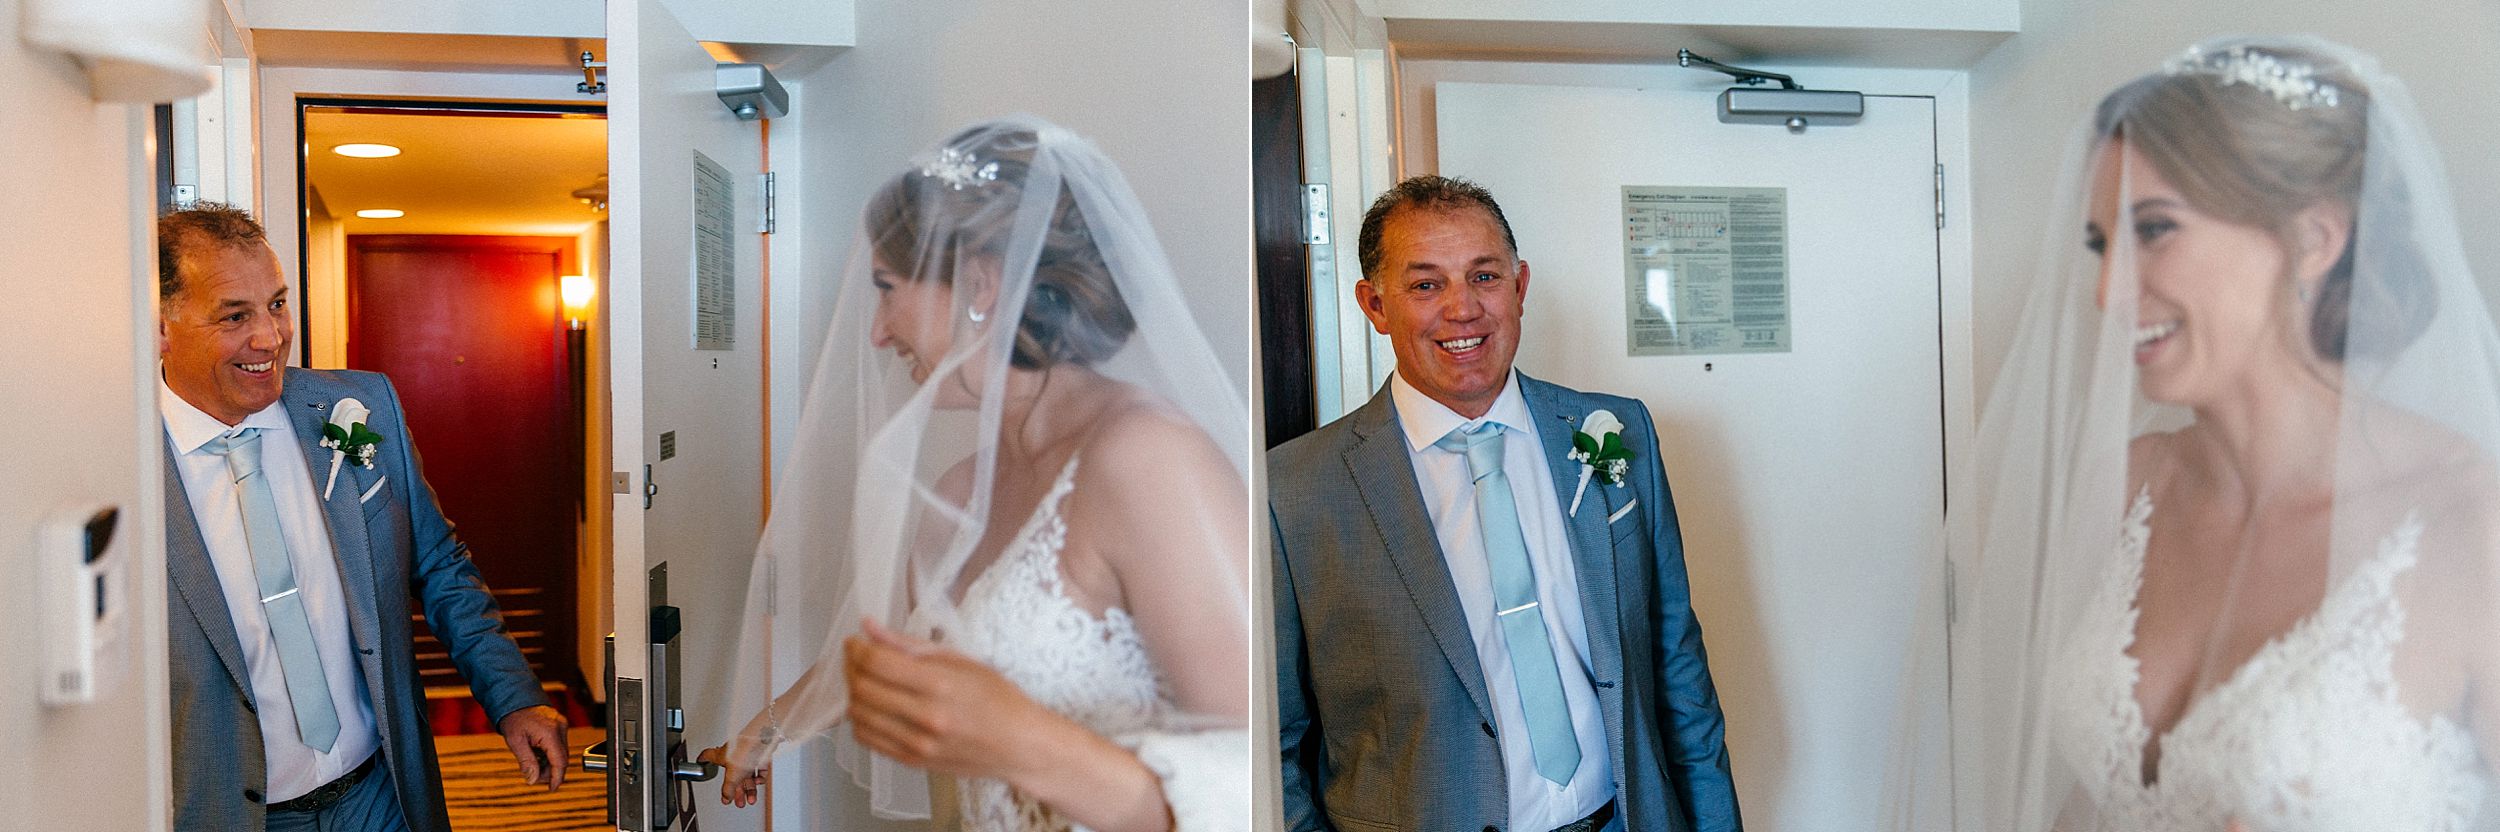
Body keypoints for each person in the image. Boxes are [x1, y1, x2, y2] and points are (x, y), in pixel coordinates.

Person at [1949, 35, 2500, 831]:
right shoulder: (2128, 484)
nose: (2109, 293)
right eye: (2102, 244)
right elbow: (2105, 799)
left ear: (2314, 239)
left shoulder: (2472, 525)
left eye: (2156, 230)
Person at [695, 117, 1250, 832]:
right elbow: (907, 661)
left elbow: (1248, 780)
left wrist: (1023, 742)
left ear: (982, 282)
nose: (876, 330)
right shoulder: (957, 494)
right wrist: (766, 731)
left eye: (888, 288)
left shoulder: (1145, 460)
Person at [1270, 175, 1741, 832]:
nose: (1463, 309)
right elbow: (1275, 745)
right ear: (1375, 305)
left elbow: (1677, 672)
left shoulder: (1617, 432)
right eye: (1426, 285)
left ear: (1519, 288)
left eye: (1484, 277)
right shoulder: (1294, 491)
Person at [156, 203, 570, 831]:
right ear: (159, 326)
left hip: (381, 795)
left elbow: (439, 565)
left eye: (276, 304)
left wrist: (513, 697)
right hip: (235, 816)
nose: (269, 337)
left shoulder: (357, 408)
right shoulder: (118, 468)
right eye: (235, 316)